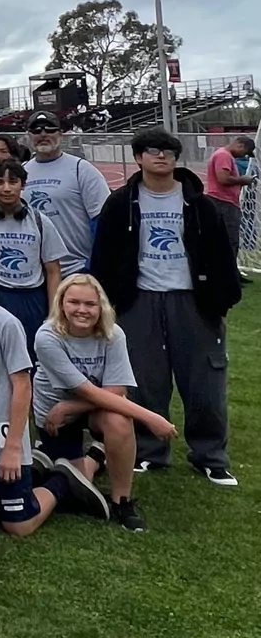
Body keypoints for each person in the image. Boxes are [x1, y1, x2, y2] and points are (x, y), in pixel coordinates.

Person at [90, 128, 241, 486]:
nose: (162, 157)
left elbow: (221, 254)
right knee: (144, 380)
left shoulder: (199, 204)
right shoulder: (122, 201)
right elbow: (105, 255)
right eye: (153, 151)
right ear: (139, 157)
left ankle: (210, 456)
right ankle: (149, 449)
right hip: (139, 299)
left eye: (169, 152)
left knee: (204, 379)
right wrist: (111, 300)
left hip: (192, 299)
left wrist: (221, 299)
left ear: (176, 159)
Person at [0, 250, 110, 534]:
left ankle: (63, 478)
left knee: (19, 526)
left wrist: (14, 446)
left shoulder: (5, 323)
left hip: (1, 439)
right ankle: (36, 469)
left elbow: (22, 385)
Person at [34, 274, 181, 531]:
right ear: (61, 304)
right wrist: (151, 417)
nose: (82, 310)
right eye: (74, 302)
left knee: (119, 420)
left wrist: (70, 407)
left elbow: (116, 389)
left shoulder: (114, 334)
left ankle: (121, 500)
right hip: (53, 416)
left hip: (77, 408)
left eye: (90, 304)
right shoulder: (47, 336)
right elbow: (88, 391)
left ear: (101, 306)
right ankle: (95, 457)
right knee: (67, 477)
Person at [0, 159, 67, 350]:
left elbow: (53, 270)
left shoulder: (40, 221)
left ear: (23, 185)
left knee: (32, 357)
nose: (6, 188)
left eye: (13, 182)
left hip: (32, 300)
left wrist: (53, 314)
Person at [23, 110, 110, 274]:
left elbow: (102, 220)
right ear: (29, 135)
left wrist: (95, 262)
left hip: (76, 269)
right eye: (36, 130)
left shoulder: (81, 169)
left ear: (61, 134)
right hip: (35, 272)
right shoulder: (21, 172)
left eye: (50, 129)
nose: (43, 134)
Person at [203, 135, 256, 266]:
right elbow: (223, 179)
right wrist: (243, 180)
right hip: (222, 202)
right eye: (245, 152)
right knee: (228, 239)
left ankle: (232, 272)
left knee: (231, 239)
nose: (244, 156)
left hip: (225, 202)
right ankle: (228, 274)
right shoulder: (223, 156)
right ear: (240, 145)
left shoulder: (226, 155)